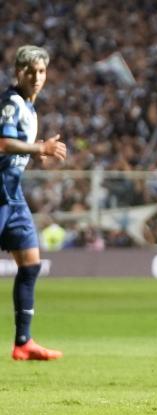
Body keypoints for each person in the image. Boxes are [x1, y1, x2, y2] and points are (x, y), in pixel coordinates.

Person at [1, 45, 67, 361]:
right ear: (19, 71)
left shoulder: (30, 107)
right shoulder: (12, 103)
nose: (37, 77)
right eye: (31, 71)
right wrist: (39, 148)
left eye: (41, 71)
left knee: (30, 264)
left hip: (12, 195)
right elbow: (3, 143)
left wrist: (36, 152)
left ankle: (23, 342)